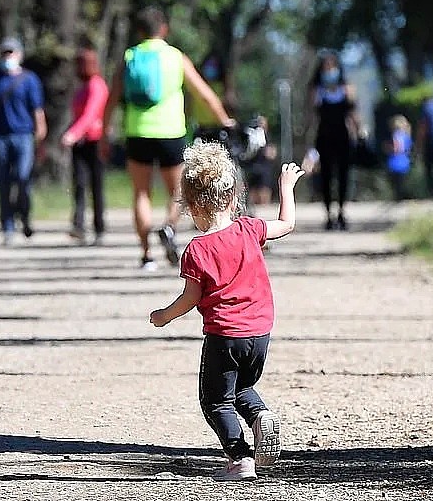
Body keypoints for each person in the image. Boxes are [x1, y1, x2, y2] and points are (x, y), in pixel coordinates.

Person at [149, 140, 305, 481]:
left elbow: (190, 298)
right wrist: (285, 187)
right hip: (260, 333)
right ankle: (260, 415)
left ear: (190, 204)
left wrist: (164, 315)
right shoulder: (250, 228)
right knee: (243, 388)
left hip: (224, 337)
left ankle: (239, 459)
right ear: (233, 197)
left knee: (216, 401)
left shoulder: (197, 249)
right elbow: (287, 224)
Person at [99, 7, 233, 270]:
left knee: (141, 193)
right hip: (171, 132)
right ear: (164, 29)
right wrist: (225, 120)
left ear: (139, 31)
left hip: (137, 132)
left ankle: (146, 255)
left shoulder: (129, 57)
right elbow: (204, 94)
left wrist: (104, 132)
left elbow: (112, 99)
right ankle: (169, 227)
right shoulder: (175, 57)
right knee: (180, 190)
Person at [0, 37, 48, 245]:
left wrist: (40, 141)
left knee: (23, 179)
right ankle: (7, 225)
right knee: (3, 182)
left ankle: (25, 216)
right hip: (0, 138)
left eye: (11, 53)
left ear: (19, 55)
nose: (8, 57)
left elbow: (38, 112)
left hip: (24, 137)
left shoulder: (30, 80)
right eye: (5, 53)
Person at [61, 47, 108, 245]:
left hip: (95, 141)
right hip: (81, 143)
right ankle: (78, 225)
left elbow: (90, 114)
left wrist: (73, 133)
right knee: (79, 184)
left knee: (96, 186)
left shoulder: (97, 86)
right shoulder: (81, 87)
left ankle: (99, 227)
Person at [307, 53, 358, 230]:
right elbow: (312, 113)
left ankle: (342, 211)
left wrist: (358, 132)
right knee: (326, 176)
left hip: (343, 136)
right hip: (324, 137)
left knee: (344, 175)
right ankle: (329, 214)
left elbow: (353, 110)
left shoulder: (345, 87)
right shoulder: (317, 88)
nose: (329, 70)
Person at [242, 115, 276, 208]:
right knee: (252, 190)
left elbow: (272, 152)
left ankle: (265, 208)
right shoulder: (250, 135)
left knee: (264, 189)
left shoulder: (267, 137)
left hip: (264, 166)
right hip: (252, 165)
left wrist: (269, 152)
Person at [385, 114, 413, 202]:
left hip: (396, 161)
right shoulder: (407, 135)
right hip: (405, 161)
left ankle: (398, 198)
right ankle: (401, 197)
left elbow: (397, 148)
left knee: (396, 183)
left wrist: (387, 148)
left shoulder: (396, 135)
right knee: (402, 183)